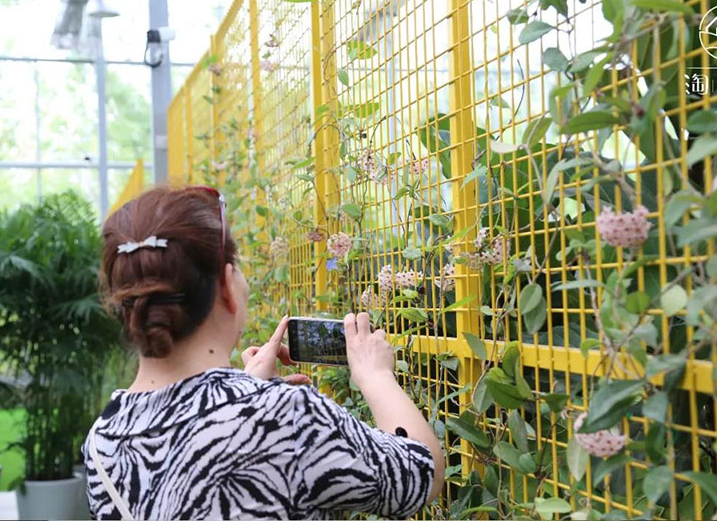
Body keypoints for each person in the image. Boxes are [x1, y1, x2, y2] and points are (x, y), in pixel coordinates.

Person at [83, 186, 445, 520]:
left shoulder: (101, 441)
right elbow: (421, 475)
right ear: (227, 285)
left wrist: (242, 390)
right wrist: (375, 376)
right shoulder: (281, 414)